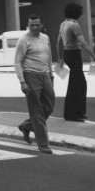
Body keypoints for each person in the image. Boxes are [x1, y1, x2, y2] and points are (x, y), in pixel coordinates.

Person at [56, 2, 95, 122]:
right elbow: (83, 43)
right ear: (77, 13)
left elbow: (58, 43)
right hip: (74, 55)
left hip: (67, 55)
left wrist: (60, 58)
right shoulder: (74, 25)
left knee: (77, 84)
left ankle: (76, 112)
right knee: (78, 85)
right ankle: (74, 114)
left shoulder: (63, 24)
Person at [15, 14, 55, 154]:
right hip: (30, 76)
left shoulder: (45, 38)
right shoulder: (23, 40)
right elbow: (18, 62)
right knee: (36, 110)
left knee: (49, 107)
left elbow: (48, 57)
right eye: (31, 25)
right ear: (28, 25)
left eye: (37, 24)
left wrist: (51, 74)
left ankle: (26, 126)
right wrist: (22, 82)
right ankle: (43, 144)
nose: (34, 27)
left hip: (45, 75)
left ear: (42, 24)